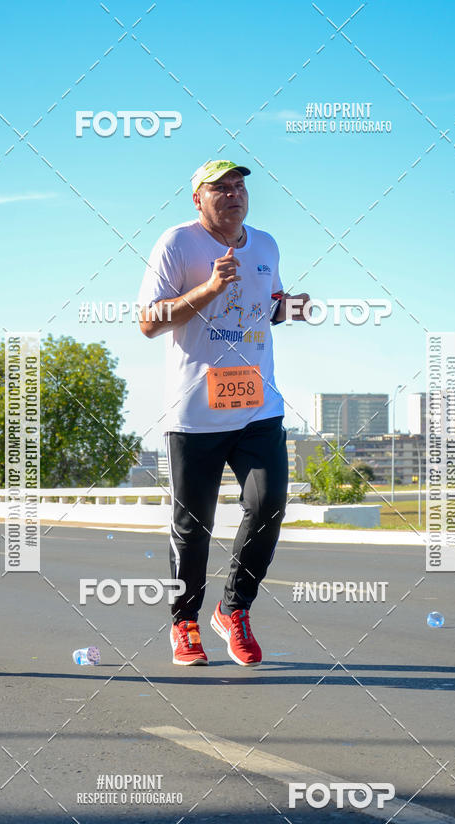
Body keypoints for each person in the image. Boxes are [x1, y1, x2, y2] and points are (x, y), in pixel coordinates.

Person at [138, 160, 309, 667]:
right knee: (193, 526)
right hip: (195, 411)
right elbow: (148, 322)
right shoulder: (177, 244)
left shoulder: (266, 244)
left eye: (240, 187)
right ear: (198, 199)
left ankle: (234, 609)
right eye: (221, 188)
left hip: (258, 406)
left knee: (269, 506)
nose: (234, 195)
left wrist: (292, 306)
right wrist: (208, 289)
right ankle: (184, 622)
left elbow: (269, 305)